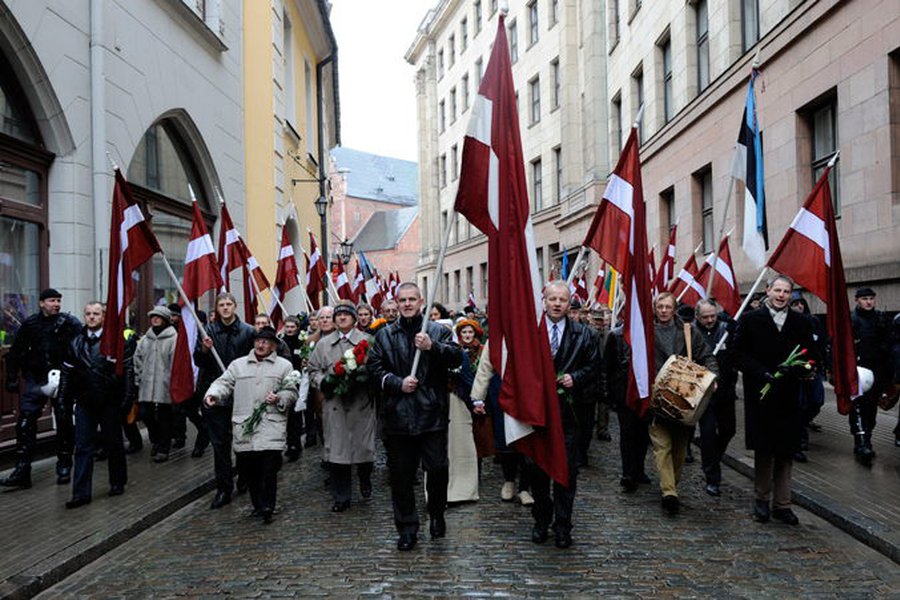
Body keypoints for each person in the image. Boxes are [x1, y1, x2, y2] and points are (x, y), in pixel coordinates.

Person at [368, 282, 463, 551]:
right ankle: (407, 528)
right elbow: (374, 371)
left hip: (431, 414)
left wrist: (433, 347)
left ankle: (436, 512)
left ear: (421, 302)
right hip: (398, 417)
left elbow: (456, 359)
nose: (407, 304)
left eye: (412, 299)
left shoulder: (437, 331)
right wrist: (398, 383)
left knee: (437, 469)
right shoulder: (385, 335)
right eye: (402, 300)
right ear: (396, 304)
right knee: (400, 476)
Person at [733, 275, 817, 526]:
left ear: (791, 295)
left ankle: (783, 504)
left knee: (786, 450)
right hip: (762, 393)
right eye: (777, 290)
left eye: (786, 291)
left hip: (789, 395)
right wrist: (761, 372)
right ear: (767, 291)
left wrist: (798, 369)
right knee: (765, 449)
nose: (781, 295)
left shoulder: (801, 321)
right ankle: (761, 499)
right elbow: (738, 354)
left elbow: (810, 356)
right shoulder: (750, 320)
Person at [526, 281, 600, 549]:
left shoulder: (584, 333)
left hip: (570, 415)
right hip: (538, 415)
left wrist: (575, 377)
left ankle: (563, 525)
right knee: (538, 471)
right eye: (552, 299)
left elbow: (594, 366)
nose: (557, 303)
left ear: (570, 304)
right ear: (544, 301)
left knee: (566, 472)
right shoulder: (531, 332)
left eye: (563, 300)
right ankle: (541, 520)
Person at [204, 326, 297, 524]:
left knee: (269, 469)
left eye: (266, 342)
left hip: (271, 424)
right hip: (245, 424)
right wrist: (213, 394)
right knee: (250, 469)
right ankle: (257, 503)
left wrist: (280, 397)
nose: (261, 345)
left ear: (273, 346)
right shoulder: (238, 365)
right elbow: (224, 382)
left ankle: (268, 506)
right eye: (258, 341)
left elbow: (291, 391)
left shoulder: (284, 366)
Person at [2, 288, 82, 488]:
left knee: (63, 421)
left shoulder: (70, 324)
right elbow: (16, 351)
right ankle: (22, 470)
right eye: (52, 300)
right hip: (36, 380)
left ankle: (64, 464)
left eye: (58, 301)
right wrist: (12, 376)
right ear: (41, 303)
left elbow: (81, 348)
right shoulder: (30, 324)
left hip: (63, 379)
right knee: (25, 421)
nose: (56, 304)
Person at [57, 302, 133, 508]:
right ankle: (80, 493)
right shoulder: (76, 342)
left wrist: (126, 401)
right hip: (85, 401)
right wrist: (63, 399)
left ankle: (117, 481)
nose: (91, 317)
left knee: (113, 444)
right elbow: (67, 373)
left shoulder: (115, 342)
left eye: (96, 314)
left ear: (104, 317)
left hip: (109, 401)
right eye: (88, 313)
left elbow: (127, 373)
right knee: (82, 447)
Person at [648, 292, 718, 515]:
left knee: (679, 450)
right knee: (662, 446)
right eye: (660, 306)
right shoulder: (647, 332)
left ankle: (672, 486)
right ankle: (669, 492)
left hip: (684, 399)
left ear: (674, 308)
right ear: (655, 308)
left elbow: (706, 356)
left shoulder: (688, 331)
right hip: (657, 398)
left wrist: (712, 378)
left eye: (668, 306)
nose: (664, 310)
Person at [308, 302, 376, 512]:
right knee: (337, 453)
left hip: (360, 404)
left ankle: (365, 478)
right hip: (334, 405)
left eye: (347, 314)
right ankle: (341, 496)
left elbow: (376, 366)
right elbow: (313, 370)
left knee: (362, 449)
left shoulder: (366, 341)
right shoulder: (324, 344)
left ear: (355, 319)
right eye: (338, 315)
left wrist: (364, 378)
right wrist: (323, 382)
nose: (342, 318)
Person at [195, 292, 255, 509]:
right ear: (217, 309)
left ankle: (245, 475)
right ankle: (224, 488)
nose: (226, 308)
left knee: (243, 440)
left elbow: (255, 359)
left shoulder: (248, 331)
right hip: (216, 393)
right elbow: (199, 361)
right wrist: (204, 348)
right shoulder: (207, 331)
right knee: (220, 444)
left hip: (242, 392)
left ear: (235, 306)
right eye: (222, 305)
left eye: (229, 304)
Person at [694, 300, 737, 496]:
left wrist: (735, 335)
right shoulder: (692, 333)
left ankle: (713, 458)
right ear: (698, 317)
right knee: (709, 433)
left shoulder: (726, 329)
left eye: (713, 316)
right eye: (705, 317)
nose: (710, 320)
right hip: (704, 394)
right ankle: (712, 476)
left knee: (728, 430)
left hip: (726, 391)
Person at [849, 287, 896, 464]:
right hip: (859, 370)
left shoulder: (882, 319)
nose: (868, 302)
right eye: (864, 299)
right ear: (857, 300)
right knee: (858, 406)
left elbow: (889, 346)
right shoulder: (852, 320)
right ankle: (861, 442)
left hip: (878, 371)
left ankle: (866, 438)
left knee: (871, 409)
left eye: (871, 298)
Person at [134, 306, 177, 463]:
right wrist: (138, 377)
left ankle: (163, 449)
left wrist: (172, 382)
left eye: (158, 317)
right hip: (146, 385)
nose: (155, 319)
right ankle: (156, 440)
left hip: (165, 386)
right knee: (145, 414)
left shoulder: (174, 338)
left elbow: (176, 363)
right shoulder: (146, 339)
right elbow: (137, 358)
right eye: (153, 317)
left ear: (165, 320)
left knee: (165, 417)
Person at [789, 294, 826, 463]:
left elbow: (821, 344)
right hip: (796, 371)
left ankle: (804, 423)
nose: (799, 307)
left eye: (801, 303)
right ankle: (799, 438)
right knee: (799, 405)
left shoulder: (814, 321)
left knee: (816, 401)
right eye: (795, 304)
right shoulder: (788, 324)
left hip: (814, 369)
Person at [280, 315, 306, 462]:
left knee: (295, 417)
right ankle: (288, 444)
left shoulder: (302, 342)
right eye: (287, 327)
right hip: (284, 382)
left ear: (297, 328)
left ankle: (295, 445)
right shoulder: (280, 341)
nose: (289, 330)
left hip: (298, 382)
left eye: (292, 327)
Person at [590, 307, 613, 442]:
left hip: (604, 372)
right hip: (591, 372)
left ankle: (602, 429)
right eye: (596, 320)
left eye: (600, 321)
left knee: (604, 403)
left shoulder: (609, 335)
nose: (598, 323)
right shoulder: (586, 332)